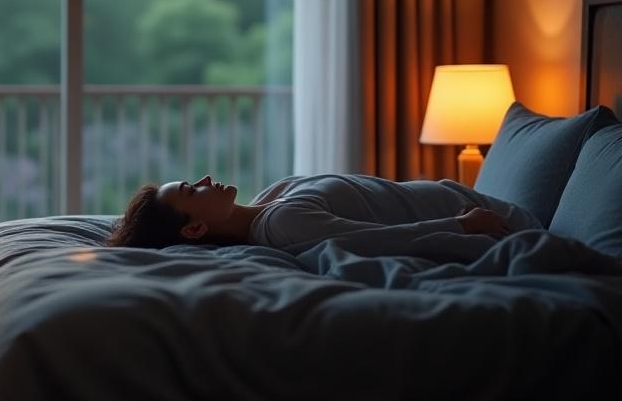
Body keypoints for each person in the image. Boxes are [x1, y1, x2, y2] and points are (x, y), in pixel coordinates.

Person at [105, 173, 542, 252]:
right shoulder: (282, 223)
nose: (205, 178)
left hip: (469, 200)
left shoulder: (271, 199)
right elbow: (378, 240)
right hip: (495, 218)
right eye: (191, 189)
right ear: (196, 227)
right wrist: (463, 226)